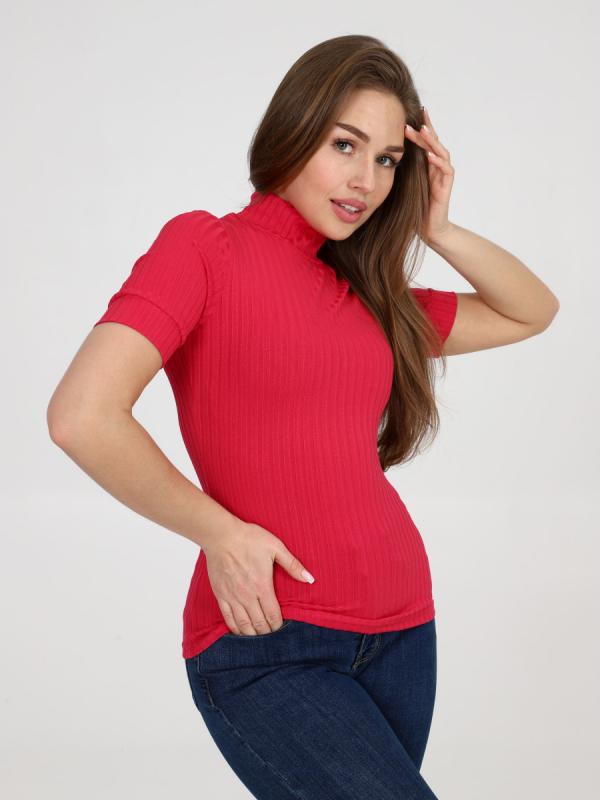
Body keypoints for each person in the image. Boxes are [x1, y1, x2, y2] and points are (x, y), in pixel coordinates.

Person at [47, 34, 559, 800]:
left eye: (388, 159)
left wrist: (439, 229)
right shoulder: (205, 248)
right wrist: (221, 533)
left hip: (402, 632)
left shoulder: (371, 297)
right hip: (267, 640)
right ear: (294, 129)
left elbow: (531, 311)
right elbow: (82, 416)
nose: (365, 180)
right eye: (344, 145)